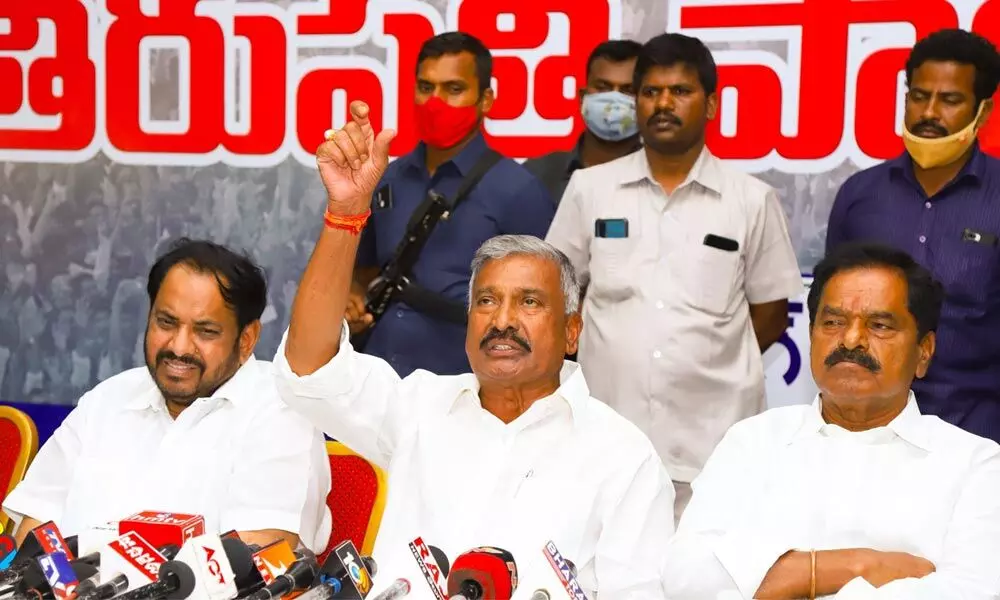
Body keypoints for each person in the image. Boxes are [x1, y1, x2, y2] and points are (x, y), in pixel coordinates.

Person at [273, 100, 674, 598]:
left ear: (572, 332)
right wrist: (346, 216)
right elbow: (310, 366)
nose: (502, 320)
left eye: (529, 302)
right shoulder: (418, 407)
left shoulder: (622, 456)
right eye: (486, 300)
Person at [544, 33, 801, 520]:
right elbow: (555, 292)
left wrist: (702, 361)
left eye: (680, 92)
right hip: (604, 440)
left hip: (712, 447)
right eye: (651, 92)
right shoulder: (590, 189)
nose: (663, 103)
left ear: (710, 104)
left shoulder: (751, 199)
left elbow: (770, 313)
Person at [661, 242, 1000, 599]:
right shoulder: (753, 441)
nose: (851, 339)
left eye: (880, 325)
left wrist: (776, 578)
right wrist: (856, 567)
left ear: (924, 351)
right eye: (833, 322)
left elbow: (974, 591)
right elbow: (685, 577)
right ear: (811, 336)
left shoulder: (975, 464)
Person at [3, 239, 331, 552]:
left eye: (205, 331)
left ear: (246, 339)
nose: (178, 346)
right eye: (166, 322)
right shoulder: (108, 400)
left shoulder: (280, 414)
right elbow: (32, 534)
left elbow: (255, 564)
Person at [826, 29, 1000, 443]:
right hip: (862, 432)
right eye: (919, 96)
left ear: (984, 110)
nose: (930, 111)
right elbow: (830, 314)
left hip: (976, 430)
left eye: (951, 100)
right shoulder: (859, 195)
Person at [347, 32, 554, 378]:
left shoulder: (519, 191)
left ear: (485, 99)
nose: (435, 102)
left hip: (468, 390)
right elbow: (363, 270)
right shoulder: (387, 177)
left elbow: (544, 306)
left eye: (454, 89)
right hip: (377, 380)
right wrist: (351, 299)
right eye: (426, 88)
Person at [523, 39, 643, 203]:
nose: (614, 100)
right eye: (603, 87)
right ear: (582, 98)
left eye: (628, 91)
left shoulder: (663, 177)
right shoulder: (536, 175)